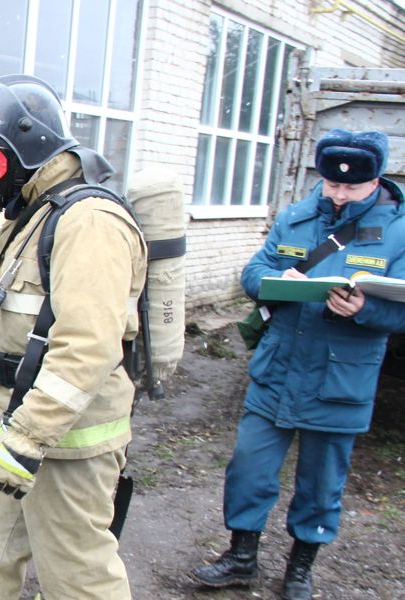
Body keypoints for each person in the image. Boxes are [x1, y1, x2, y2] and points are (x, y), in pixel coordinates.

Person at [0, 74, 147, 599]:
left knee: (77, 575)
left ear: (27, 145)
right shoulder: (31, 213)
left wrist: (30, 438)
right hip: (10, 430)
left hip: (64, 444)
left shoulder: (89, 221)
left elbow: (88, 344)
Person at [190, 129, 405, 600]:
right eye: (332, 183)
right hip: (278, 369)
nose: (340, 193)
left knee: (322, 483)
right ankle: (242, 558)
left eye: (352, 187)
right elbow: (251, 273)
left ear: (376, 180)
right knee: (249, 468)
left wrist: (364, 310)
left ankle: (299, 571)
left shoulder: (399, 229)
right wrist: (274, 280)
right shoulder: (296, 216)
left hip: (341, 379)